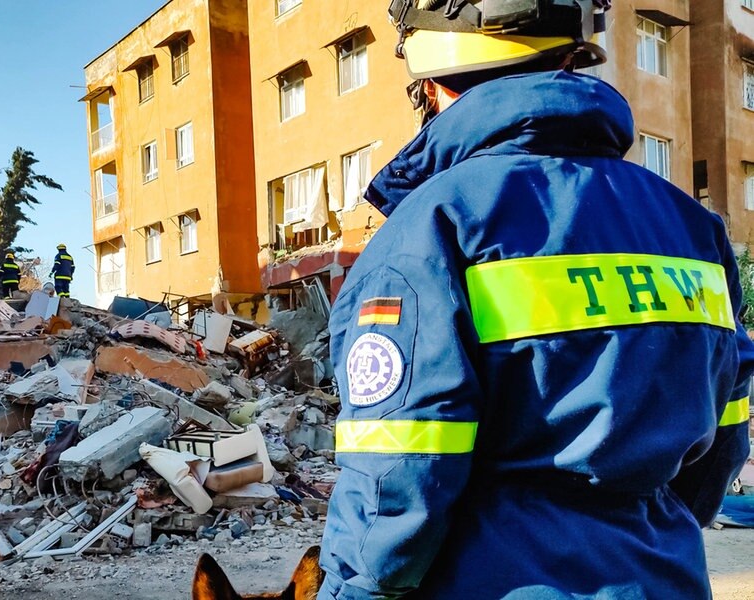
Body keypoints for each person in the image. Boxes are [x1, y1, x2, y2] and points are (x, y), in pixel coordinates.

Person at [319, 1, 754, 599]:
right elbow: (724, 435)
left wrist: (355, 591)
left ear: (433, 85)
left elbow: (400, 473)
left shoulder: (434, 227)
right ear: (574, 60)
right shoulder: (691, 227)